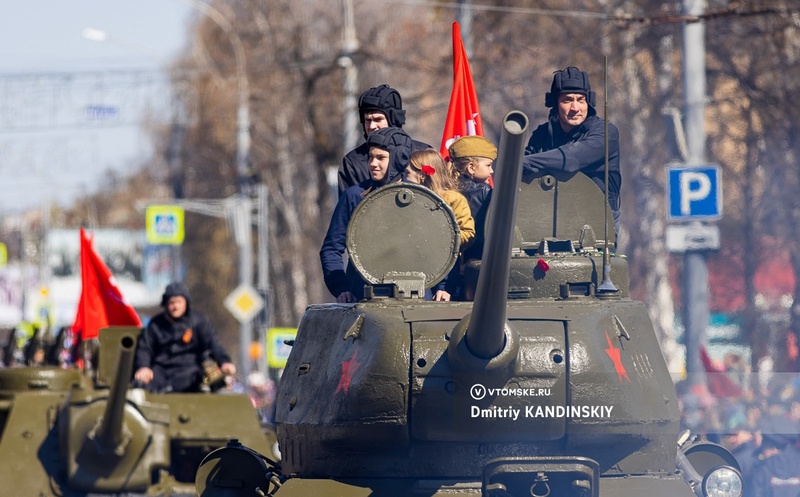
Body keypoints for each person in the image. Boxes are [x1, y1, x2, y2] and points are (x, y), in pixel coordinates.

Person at [321, 127, 413, 303]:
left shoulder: (419, 197)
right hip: (363, 294)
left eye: (381, 158)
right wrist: (341, 288)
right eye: (371, 157)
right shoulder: (355, 196)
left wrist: (441, 287)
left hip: (415, 295)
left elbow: (437, 245)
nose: (372, 163)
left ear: (398, 159)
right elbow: (332, 248)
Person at [523, 66, 621, 227]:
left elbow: (570, 159)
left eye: (580, 100)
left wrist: (523, 162)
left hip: (596, 228)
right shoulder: (542, 135)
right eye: (567, 100)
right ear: (555, 103)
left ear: (589, 102)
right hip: (548, 223)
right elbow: (522, 176)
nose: (575, 108)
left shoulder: (604, 133)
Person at [133, 282, 235, 393]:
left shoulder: (198, 321)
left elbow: (212, 342)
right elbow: (145, 348)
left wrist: (224, 361)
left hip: (190, 367)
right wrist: (143, 367)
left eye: (179, 302)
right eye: (171, 302)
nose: (175, 306)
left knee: (193, 380)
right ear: (165, 304)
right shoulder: (156, 324)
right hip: (162, 367)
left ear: (185, 303)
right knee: (142, 384)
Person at [404, 148, 475, 301]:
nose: (404, 178)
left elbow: (468, 233)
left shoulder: (453, 200)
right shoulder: (408, 200)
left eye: (407, 174)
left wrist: (439, 237)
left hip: (446, 274)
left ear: (422, 176)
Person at [338, 84, 431, 194]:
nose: (372, 126)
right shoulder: (353, 162)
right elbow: (351, 204)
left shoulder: (423, 153)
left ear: (393, 121)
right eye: (368, 120)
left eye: (378, 119)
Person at [446, 135, 498, 300]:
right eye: (488, 165)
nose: (492, 170)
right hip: (479, 263)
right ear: (471, 167)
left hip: (451, 267)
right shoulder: (486, 192)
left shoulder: (447, 191)